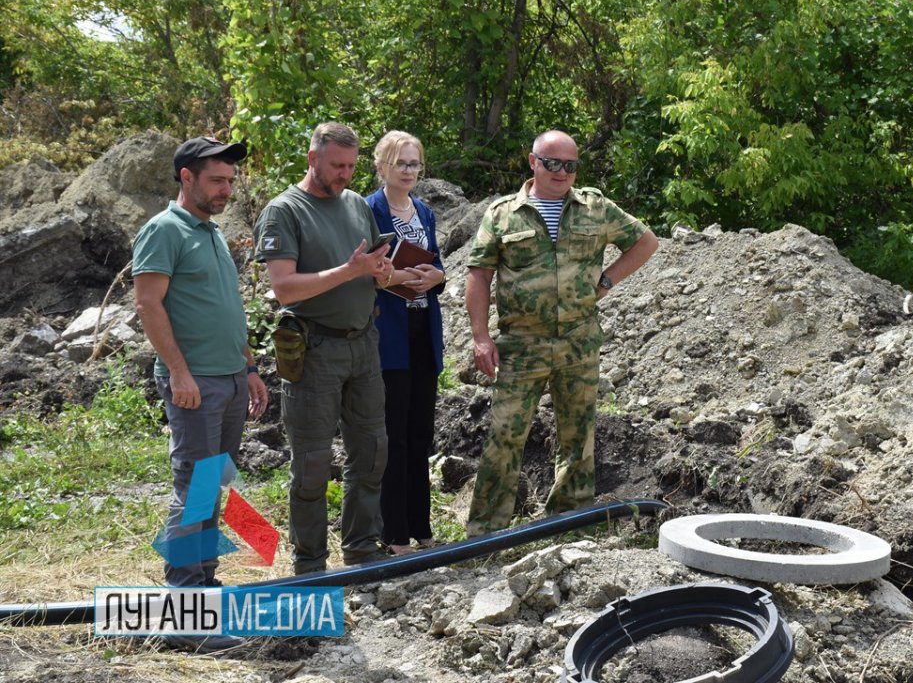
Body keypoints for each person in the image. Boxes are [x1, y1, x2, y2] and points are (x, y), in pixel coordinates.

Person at [464, 130, 659, 536]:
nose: (562, 172)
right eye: (553, 163)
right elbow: (479, 276)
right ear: (533, 162)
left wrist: (604, 283)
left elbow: (645, 242)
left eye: (570, 165)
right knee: (504, 437)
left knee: (578, 436)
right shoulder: (502, 214)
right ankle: (484, 534)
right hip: (520, 345)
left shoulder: (595, 207)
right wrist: (481, 337)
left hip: (578, 340)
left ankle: (569, 525)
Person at [132, 136, 269, 652]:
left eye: (231, 181)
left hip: (229, 379)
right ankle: (185, 612)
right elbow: (149, 306)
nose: (226, 190)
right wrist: (180, 374)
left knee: (214, 483)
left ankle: (204, 590)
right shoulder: (163, 230)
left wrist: (249, 368)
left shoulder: (209, 231)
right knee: (194, 489)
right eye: (217, 180)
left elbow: (224, 307)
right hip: (195, 384)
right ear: (186, 178)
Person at [253, 122, 395, 573]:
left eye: (352, 166)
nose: (345, 175)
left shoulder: (356, 205)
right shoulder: (284, 211)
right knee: (313, 463)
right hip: (314, 349)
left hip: (363, 345)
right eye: (337, 165)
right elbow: (284, 289)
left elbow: (372, 266)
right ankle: (310, 562)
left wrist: (387, 273)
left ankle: (361, 548)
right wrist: (350, 272)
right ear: (313, 158)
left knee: (372, 452)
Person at [366, 131, 446, 555]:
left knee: (420, 435)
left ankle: (422, 527)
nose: (409, 171)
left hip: (422, 331)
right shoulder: (367, 209)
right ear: (382, 166)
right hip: (388, 334)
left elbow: (437, 264)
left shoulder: (425, 213)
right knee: (393, 436)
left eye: (415, 164)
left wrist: (437, 277)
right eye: (401, 164)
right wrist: (395, 278)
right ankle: (394, 533)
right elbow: (364, 271)